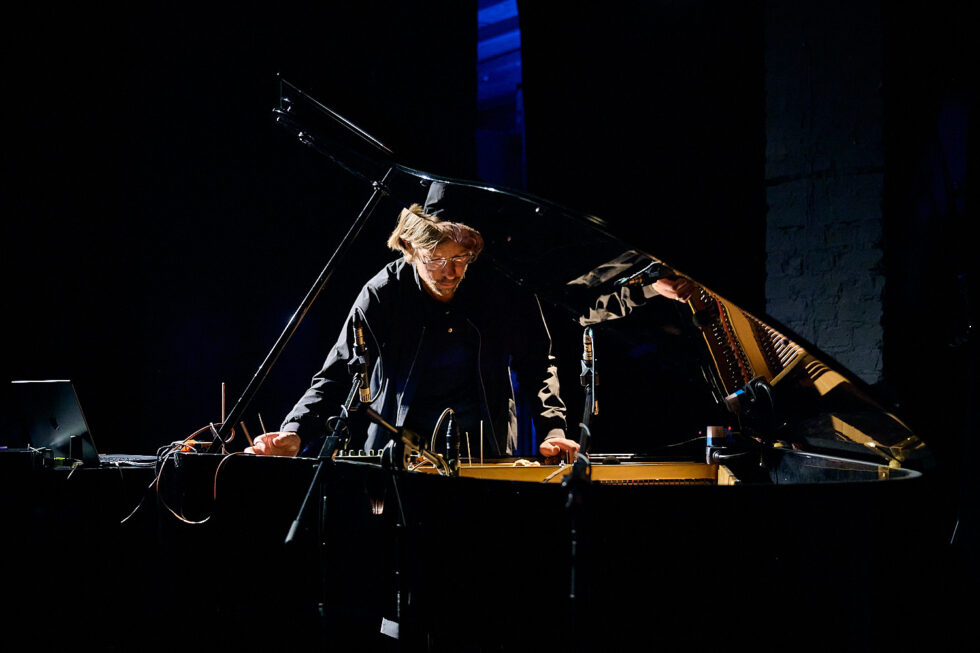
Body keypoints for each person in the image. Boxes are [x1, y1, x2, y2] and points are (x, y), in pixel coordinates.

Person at [246, 191, 578, 460]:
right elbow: (339, 373)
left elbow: (537, 363)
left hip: (484, 450)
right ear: (409, 248)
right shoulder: (382, 293)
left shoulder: (503, 287)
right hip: (399, 454)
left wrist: (553, 430)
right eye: (435, 259)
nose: (449, 272)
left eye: (460, 258)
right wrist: (296, 430)